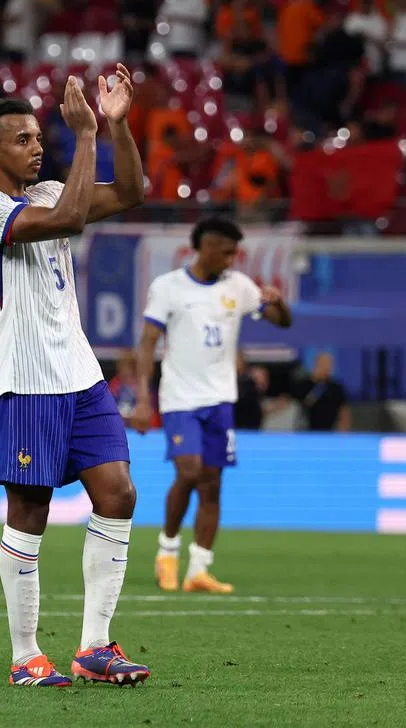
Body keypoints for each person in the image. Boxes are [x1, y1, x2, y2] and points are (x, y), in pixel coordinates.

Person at [0, 64, 150, 688]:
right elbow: (67, 220)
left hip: (79, 372)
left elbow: (132, 193)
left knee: (117, 494)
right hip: (25, 376)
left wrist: (116, 125)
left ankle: (95, 647)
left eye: (41, 137)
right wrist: (85, 135)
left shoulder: (47, 193)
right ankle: (25, 655)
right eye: (24, 140)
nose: (38, 148)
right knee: (30, 509)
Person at [131, 218, 292, 595]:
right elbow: (147, 342)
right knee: (189, 472)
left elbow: (281, 323)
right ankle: (167, 553)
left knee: (213, 484)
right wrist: (142, 397)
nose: (232, 258)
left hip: (220, 399)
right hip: (180, 399)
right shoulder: (168, 287)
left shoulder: (238, 286)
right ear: (204, 246)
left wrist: (278, 302)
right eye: (226, 250)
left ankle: (199, 570)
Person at [294, 352, 350, 432]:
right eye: (324, 364)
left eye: (330, 364)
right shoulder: (304, 385)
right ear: (317, 364)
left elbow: (343, 410)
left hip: (329, 432)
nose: (327, 367)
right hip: (306, 431)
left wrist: (344, 429)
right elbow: (300, 405)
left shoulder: (336, 387)